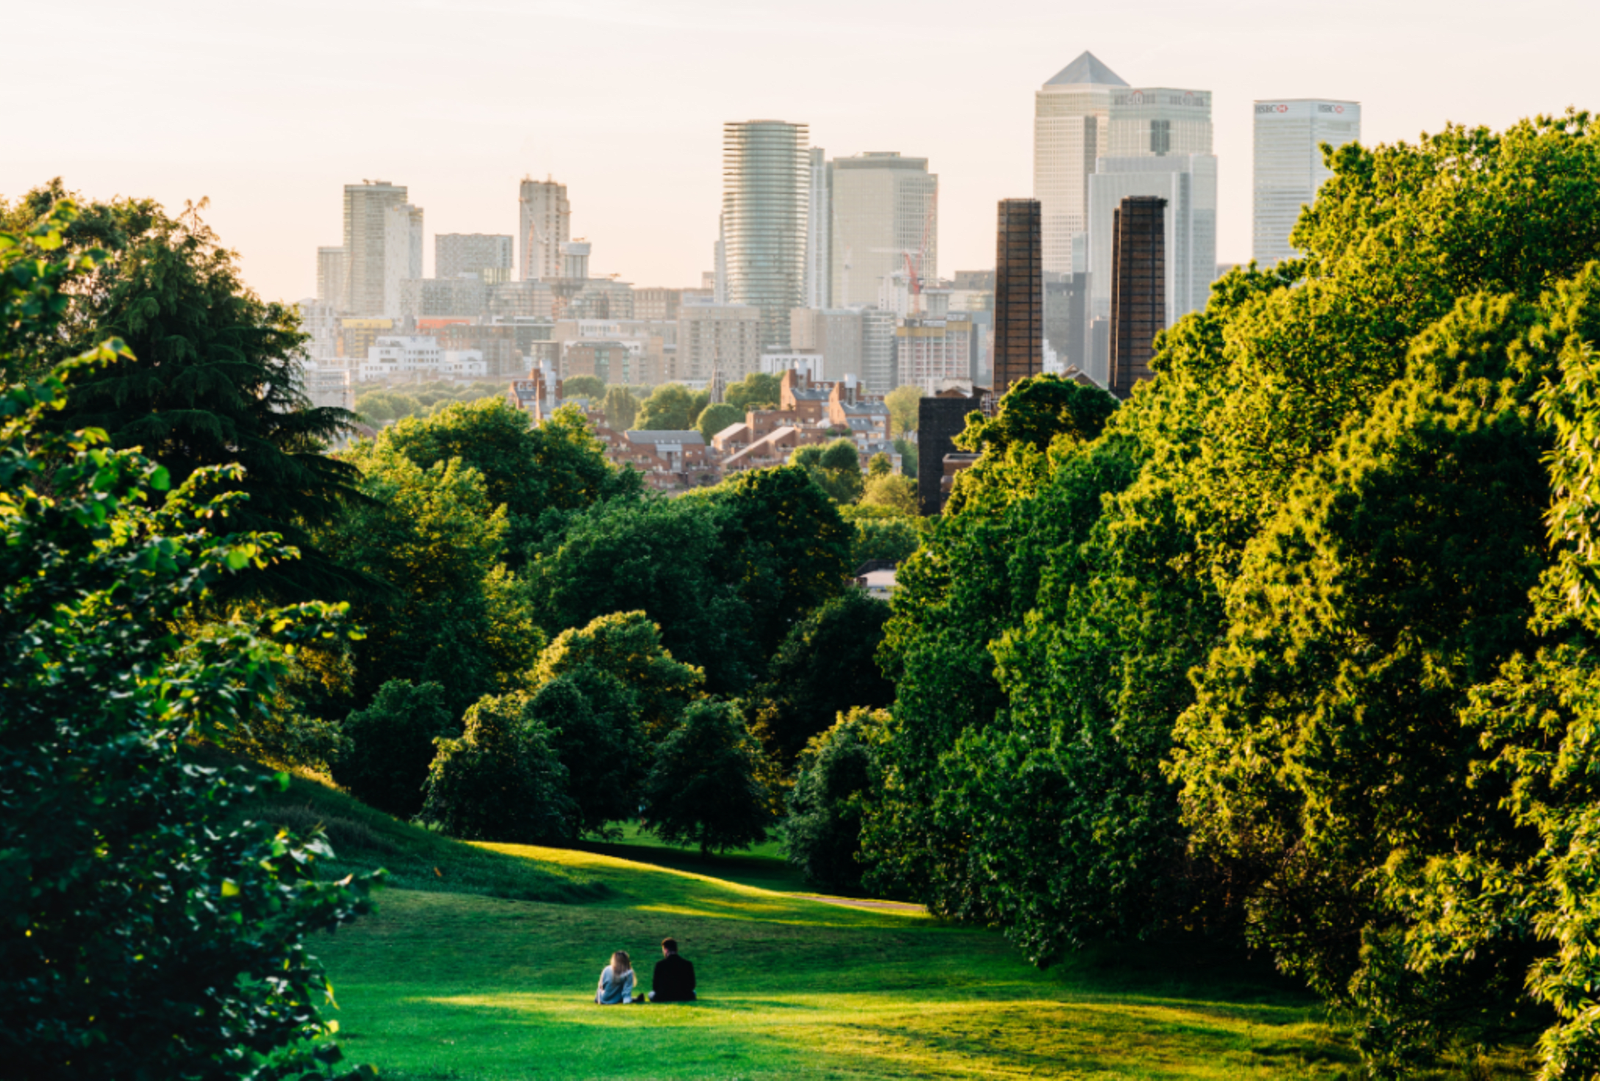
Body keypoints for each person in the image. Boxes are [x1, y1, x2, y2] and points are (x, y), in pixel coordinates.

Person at [648, 938, 696, 1003]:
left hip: (663, 996)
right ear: (676, 949)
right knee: (694, 992)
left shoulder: (660, 965)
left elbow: (655, 987)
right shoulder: (687, 964)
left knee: (650, 994)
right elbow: (692, 985)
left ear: (666, 950)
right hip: (684, 995)